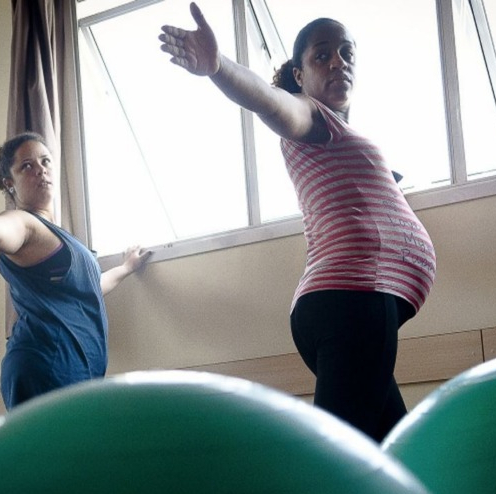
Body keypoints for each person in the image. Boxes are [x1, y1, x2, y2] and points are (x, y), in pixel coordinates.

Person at [159, 4, 436, 442]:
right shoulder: (309, 114)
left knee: (393, 450)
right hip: (354, 300)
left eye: (346, 52)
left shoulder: (341, 135)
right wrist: (218, 67)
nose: (337, 61)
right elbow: (272, 103)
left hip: (345, 307)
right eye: (322, 55)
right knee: (339, 462)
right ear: (300, 75)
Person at [0, 132, 151, 410]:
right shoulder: (23, 223)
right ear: (10, 183)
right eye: (27, 166)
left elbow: (93, 288)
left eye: (45, 161)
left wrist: (127, 267)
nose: (40, 169)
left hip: (75, 372)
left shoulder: (62, 238)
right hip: (45, 368)